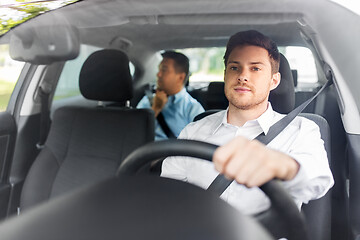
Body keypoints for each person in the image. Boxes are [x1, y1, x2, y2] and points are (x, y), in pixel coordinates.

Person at [161, 30, 334, 215]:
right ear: (225, 75)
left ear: (274, 80)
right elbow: (169, 195)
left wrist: (282, 165)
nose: (243, 76)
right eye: (235, 67)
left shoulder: (301, 130)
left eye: (255, 68)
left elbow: (318, 180)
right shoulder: (192, 132)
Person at [137, 51, 204, 140]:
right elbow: (133, 132)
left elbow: (200, 144)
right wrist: (155, 109)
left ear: (181, 77)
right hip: (142, 152)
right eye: (159, 69)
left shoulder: (192, 108)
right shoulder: (147, 100)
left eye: (164, 70)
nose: (158, 74)